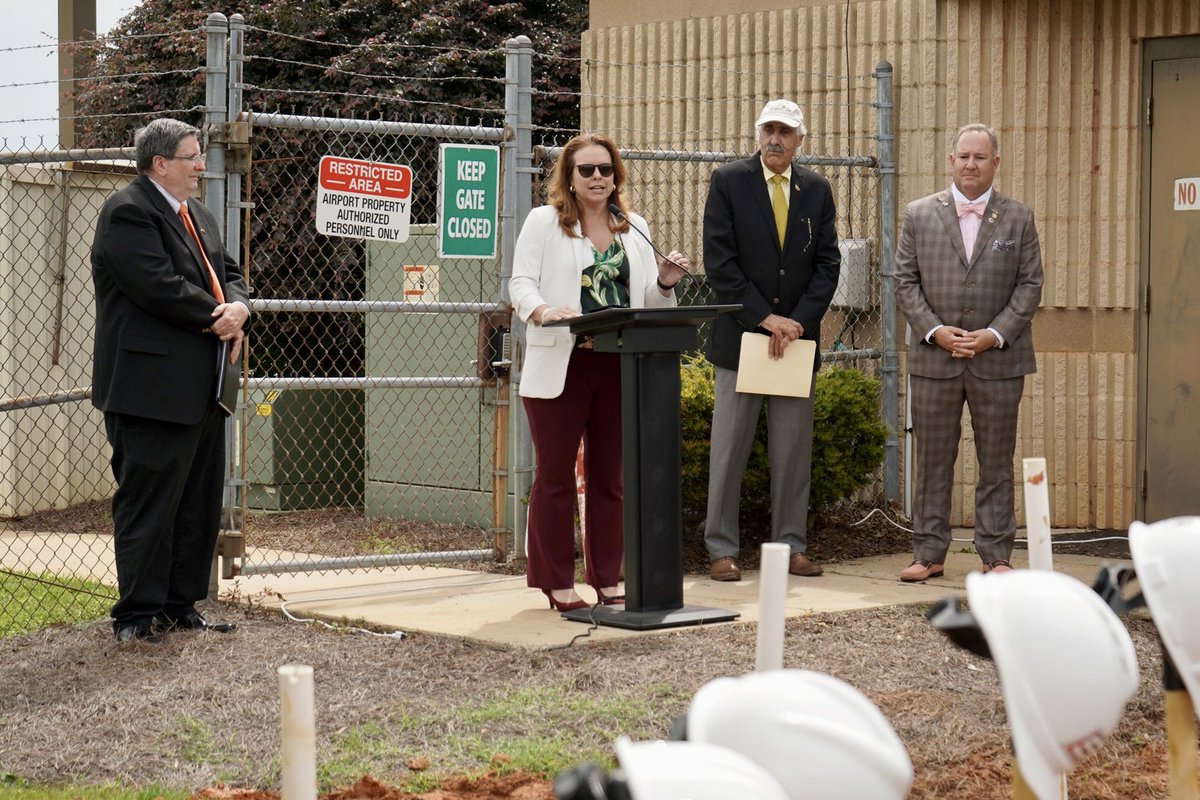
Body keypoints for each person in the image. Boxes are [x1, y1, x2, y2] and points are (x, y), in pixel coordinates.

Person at [509, 132, 689, 611]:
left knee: (610, 478)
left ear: (616, 177)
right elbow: (520, 281)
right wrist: (543, 310)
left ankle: (607, 579)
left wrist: (667, 280)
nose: (596, 178)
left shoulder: (634, 227)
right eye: (586, 169)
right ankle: (554, 582)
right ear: (568, 176)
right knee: (555, 476)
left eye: (605, 170)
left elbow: (649, 300)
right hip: (561, 362)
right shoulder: (544, 222)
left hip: (617, 362)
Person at [91, 118, 250, 642]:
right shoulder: (128, 213)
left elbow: (229, 271)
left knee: (197, 502)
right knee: (149, 502)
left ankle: (181, 605)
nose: (202, 164)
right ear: (161, 163)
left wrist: (240, 305)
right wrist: (217, 316)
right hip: (150, 391)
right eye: (192, 156)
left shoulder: (196, 213)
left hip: (203, 388)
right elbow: (157, 286)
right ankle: (137, 614)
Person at [893, 123, 1043, 582]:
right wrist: (935, 331)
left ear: (995, 163)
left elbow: (1030, 285)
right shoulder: (918, 215)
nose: (971, 164)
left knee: (996, 460)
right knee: (933, 460)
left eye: (980, 157)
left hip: (998, 361)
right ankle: (928, 554)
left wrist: (993, 335)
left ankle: (996, 556)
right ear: (950, 160)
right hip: (934, 360)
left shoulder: (1018, 218)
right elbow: (904, 282)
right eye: (964, 156)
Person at [702, 99, 841, 582]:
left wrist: (796, 322)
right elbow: (720, 262)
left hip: (795, 343)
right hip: (743, 338)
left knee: (791, 451)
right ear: (758, 134)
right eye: (768, 130)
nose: (775, 139)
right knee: (729, 449)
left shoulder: (817, 189)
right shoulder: (729, 181)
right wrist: (766, 319)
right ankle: (720, 548)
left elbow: (828, 265)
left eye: (785, 131)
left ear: (800, 139)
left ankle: (791, 546)